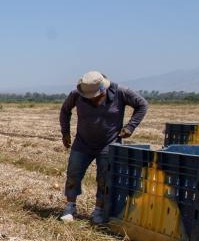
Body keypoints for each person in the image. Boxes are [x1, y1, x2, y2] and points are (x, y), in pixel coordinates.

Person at [59, 71, 148, 224]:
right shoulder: (77, 94)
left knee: (104, 178)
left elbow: (142, 105)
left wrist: (130, 127)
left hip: (108, 143)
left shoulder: (121, 92)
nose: (92, 99)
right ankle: (70, 206)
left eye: (95, 96)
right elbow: (65, 110)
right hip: (82, 143)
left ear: (103, 89)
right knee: (73, 173)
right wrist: (65, 132)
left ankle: (99, 210)